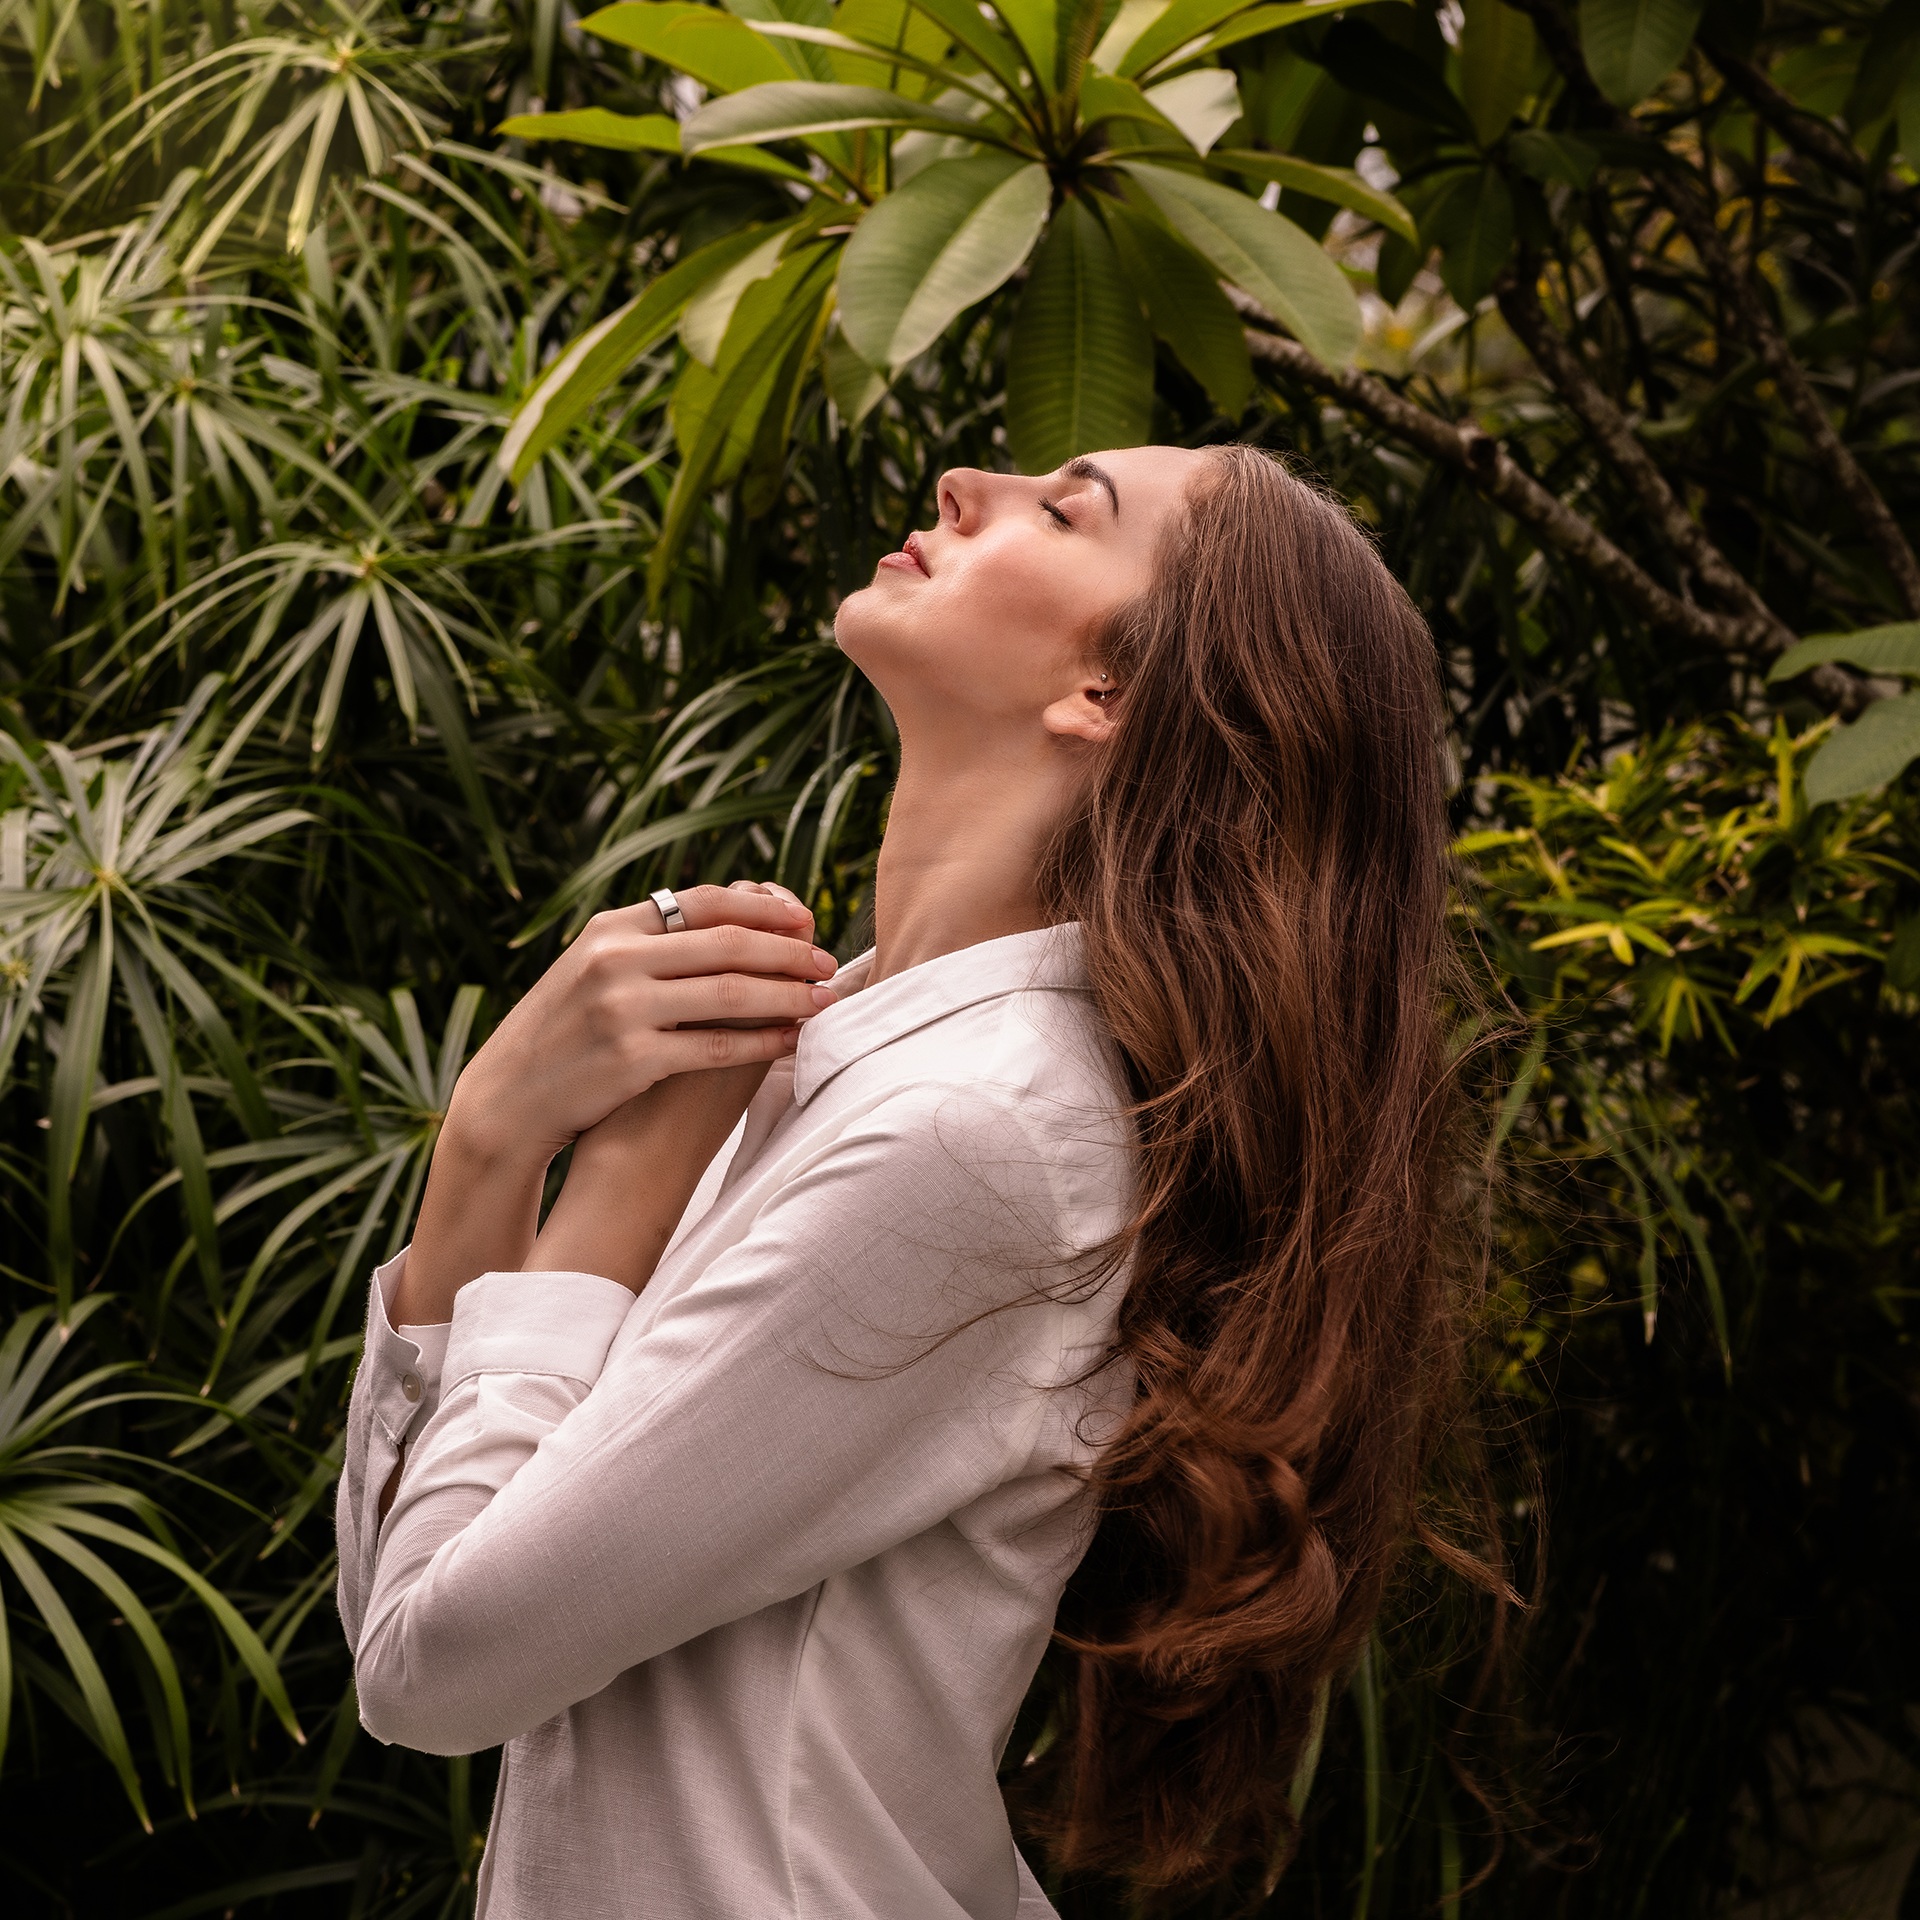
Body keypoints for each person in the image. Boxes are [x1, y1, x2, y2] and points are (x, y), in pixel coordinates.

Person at [336, 444, 1475, 1919]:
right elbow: (417, 1612)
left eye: (1065, 511)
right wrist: (487, 1162)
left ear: (1108, 694)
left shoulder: (975, 1134)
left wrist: (546, 1151)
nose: (960, 479)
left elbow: (436, 1672)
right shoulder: (856, 1061)